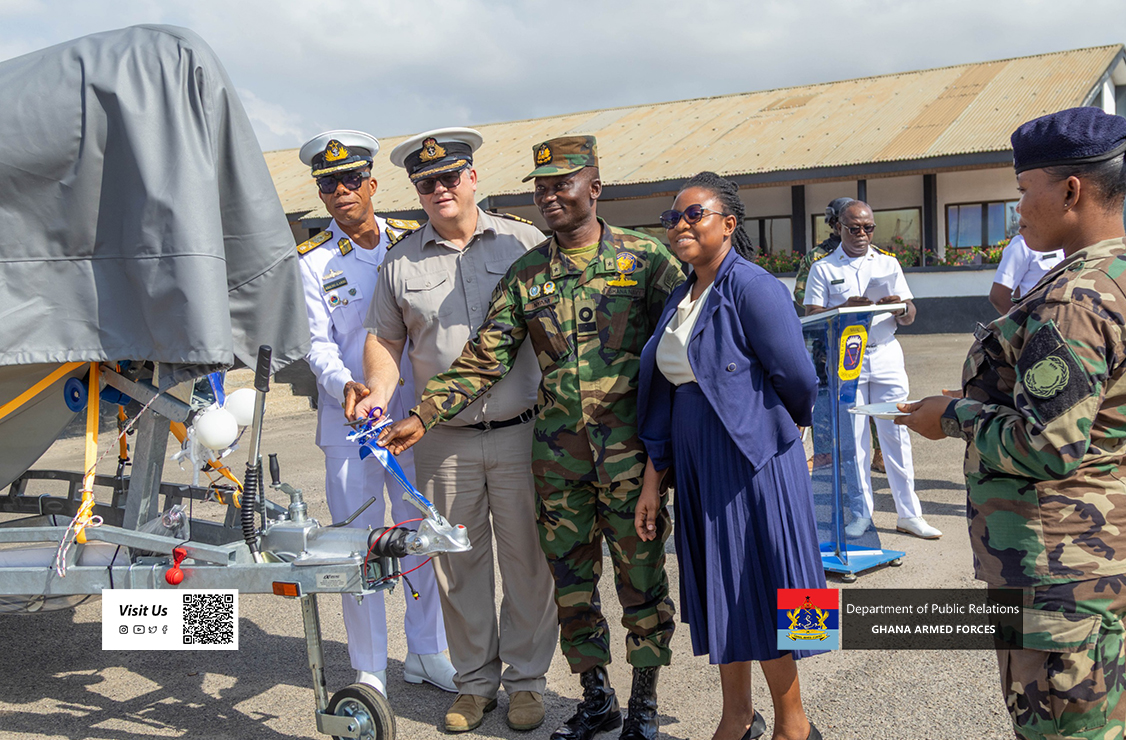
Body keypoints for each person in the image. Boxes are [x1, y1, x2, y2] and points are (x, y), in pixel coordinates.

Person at [375, 135, 684, 740]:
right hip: (558, 461)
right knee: (570, 587)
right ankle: (597, 700)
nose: (550, 198)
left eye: (562, 186)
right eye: (541, 188)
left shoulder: (645, 260)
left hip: (629, 461)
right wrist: (425, 413)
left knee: (641, 581)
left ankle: (643, 706)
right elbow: (484, 356)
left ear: (593, 188)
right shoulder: (528, 271)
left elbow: (686, 342)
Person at [898, 106, 1126, 740]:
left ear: (1071, 190)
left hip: (1059, 569)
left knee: (1064, 726)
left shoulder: (1073, 299)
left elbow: (1048, 445)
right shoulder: (1116, 276)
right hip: (1104, 556)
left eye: (1025, 191)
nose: (1018, 208)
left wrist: (954, 417)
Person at [350, 127, 558, 734]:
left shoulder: (526, 244)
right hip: (440, 439)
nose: (439, 188)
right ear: (416, 190)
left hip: (524, 431)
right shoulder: (401, 262)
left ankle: (525, 683)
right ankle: (473, 686)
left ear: (473, 179)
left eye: (449, 177)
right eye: (426, 182)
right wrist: (377, 395)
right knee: (457, 566)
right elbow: (386, 340)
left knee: (528, 564)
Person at [636, 172, 824, 740]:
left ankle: (796, 724)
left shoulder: (753, 285)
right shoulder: (681, 294)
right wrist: (653, 479)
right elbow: (668, 396)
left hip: (754, 458)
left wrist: (783, 435)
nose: (680, 226)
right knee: (723, 584)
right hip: (697, 460)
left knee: (774, 586)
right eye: (672, 218)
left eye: (694, 214)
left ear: (729, 224)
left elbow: (798, 377)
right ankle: (737, 718)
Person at [295, 130, 455, 697]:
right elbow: (315, 344)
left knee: (417, 534)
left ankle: (428, 651)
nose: (339, 191)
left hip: (411, 418)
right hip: (349, 421)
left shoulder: (413, 244)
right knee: (357, 544)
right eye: (327, 183)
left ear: (371, 183)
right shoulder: (312, 263)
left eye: (349, 180)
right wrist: (345, 383)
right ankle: (369, 666)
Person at [803, 201, 941, 540]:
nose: (862, 234)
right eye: (854, 228)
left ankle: (910, 515)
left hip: (885, 354)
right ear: (838, 228)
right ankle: (862, 514)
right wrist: (843, 309)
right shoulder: (822, 268)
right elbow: (812, 317)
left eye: (868, 228)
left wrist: (899, 307)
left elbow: (910, 313)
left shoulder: (888, 263)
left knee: (897, 434)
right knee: (856, 442)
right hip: (848, 358)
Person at [791, 196, 853, 308]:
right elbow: (800, 292)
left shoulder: (871, 253)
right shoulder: (816, 255)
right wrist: (822, 307)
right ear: (833, 223)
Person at [988, 233, 1065, 314]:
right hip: (1041, 321)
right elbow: (999, 296)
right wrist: (1024, 323)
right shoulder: (1023, 243)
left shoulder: (1070, 241)